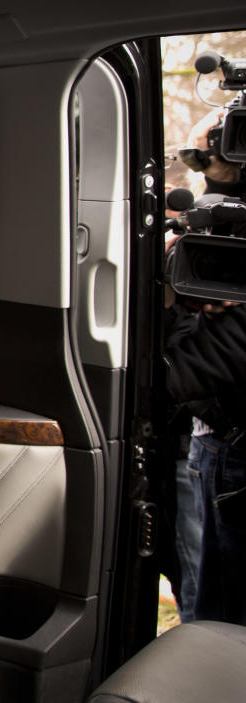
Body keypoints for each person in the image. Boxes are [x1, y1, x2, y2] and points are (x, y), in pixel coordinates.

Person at [165, 106, 246, 625]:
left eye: (204, 156)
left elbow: (171, 376)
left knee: (217, 624)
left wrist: (169, 302)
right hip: (214, 443)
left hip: (228, 452)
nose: (198, 171)